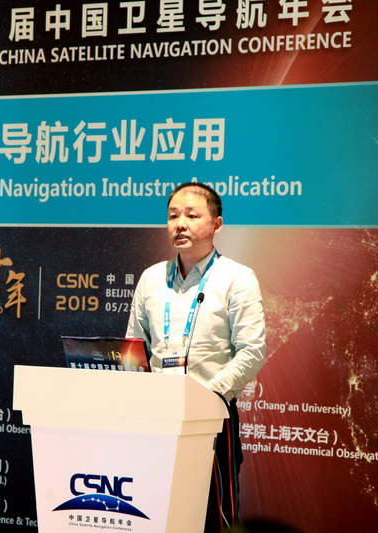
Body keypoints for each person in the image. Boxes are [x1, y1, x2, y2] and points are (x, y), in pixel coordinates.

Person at [126, 182, 267, 532]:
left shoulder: (237, 278)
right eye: (173, 215)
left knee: (213, 516)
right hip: (154, 416)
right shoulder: (151, 279)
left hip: (211, 416)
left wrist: (207, 398)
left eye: (191, 215)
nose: (180, 224)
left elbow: (252, 350)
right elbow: (133, 346)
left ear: (217, 224)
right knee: (153, 513)